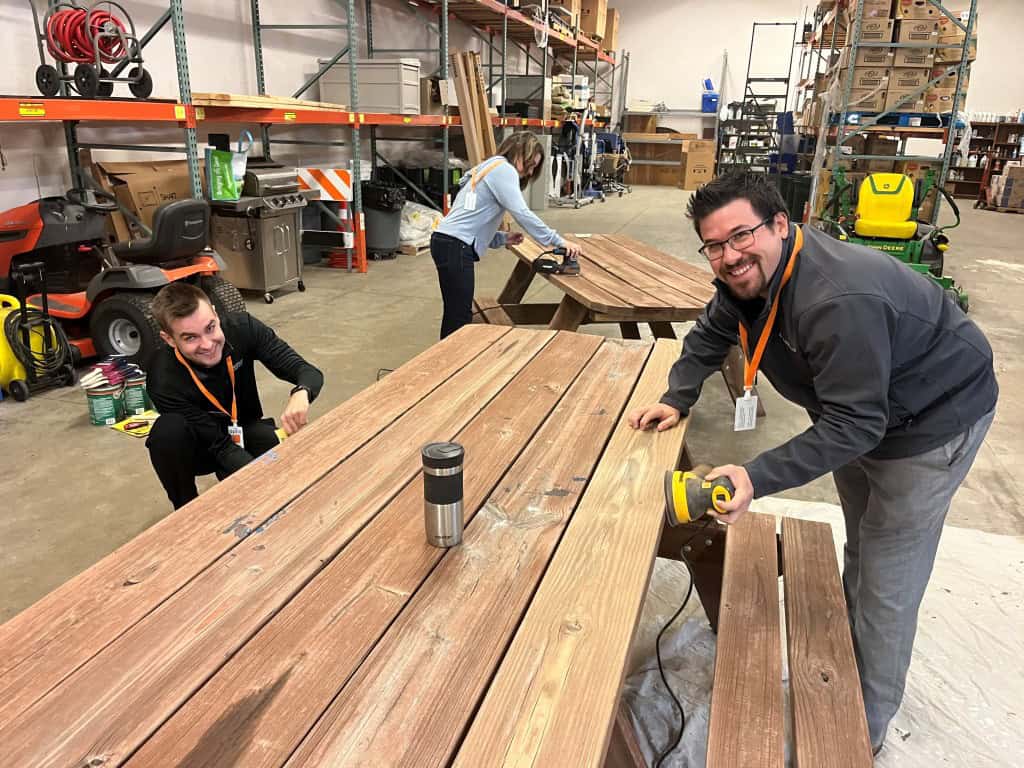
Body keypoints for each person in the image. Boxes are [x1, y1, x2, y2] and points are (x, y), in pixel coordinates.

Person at [628, 171, 997, 755]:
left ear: (780, 224)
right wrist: (676, 397)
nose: (729, 256)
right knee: (862, 542)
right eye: (715, 245)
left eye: (741, 236)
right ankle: (848, 653)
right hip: (861, 414)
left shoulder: (836, 297)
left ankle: (858, 734)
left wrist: (756, 474)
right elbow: (708, 334)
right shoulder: (746, 281)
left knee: (888, 580)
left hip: (932, 419)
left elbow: (857, 425)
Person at [146, 283, 324, 509]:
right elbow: (219, 446)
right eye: (190, 338)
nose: (207, 344)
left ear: (214, 312)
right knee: (167, 434)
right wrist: (261, 479)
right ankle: (187, 509)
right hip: (200, 447)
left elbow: (307, 372)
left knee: (276, 452)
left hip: (243, 431)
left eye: (210, 328)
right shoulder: (163, 378)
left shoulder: (243, 328)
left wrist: (302, 392)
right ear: (170, 339)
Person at [430, 131, 582, 338]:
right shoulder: (504, 170)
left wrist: (502, 238)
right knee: (459, 317)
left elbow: (472, 221)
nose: (529, 172)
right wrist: (558, 241)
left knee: (456, 312)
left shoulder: (488, 167)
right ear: (519, 152)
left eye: (534, 168)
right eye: (529, 164)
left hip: (446, 242)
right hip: (454, 246)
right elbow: (522, 213)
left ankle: (447, 362)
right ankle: (449, 365)